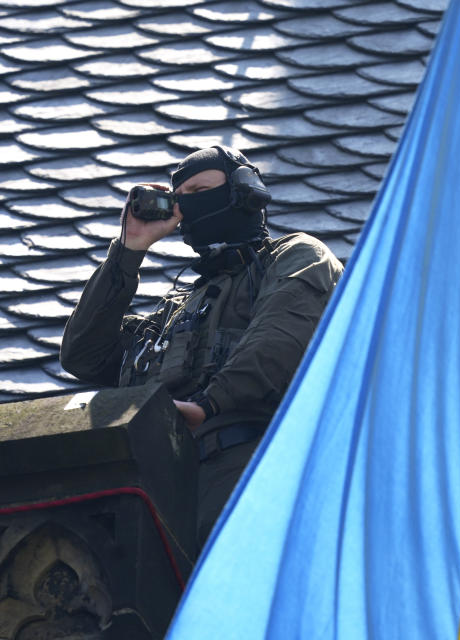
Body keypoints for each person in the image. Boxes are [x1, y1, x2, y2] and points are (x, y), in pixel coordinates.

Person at [60, 146, 343, 543]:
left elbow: (278, 340)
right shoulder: (173, 311)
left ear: (245, 192)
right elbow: (82, 355)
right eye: (180, 198)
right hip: (156, 481)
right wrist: (128, 251)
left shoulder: (295, 256)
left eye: (200, 190)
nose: (187, 206)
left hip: (247, 463)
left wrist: (207, 406)